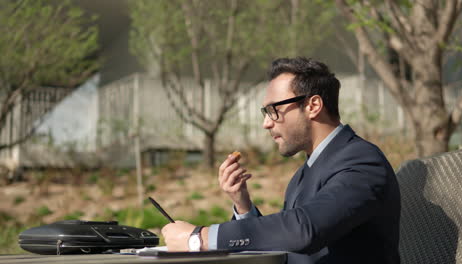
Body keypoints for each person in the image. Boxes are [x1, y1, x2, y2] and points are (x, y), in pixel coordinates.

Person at [162, 57, 401, 264]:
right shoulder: (304, 173)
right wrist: (243, 204)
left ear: (313, 106)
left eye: (274, 110)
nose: (267, 123)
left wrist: (199, 238)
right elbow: (286, 244)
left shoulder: (362, 161)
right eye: (265, 113)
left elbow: (305, 230)